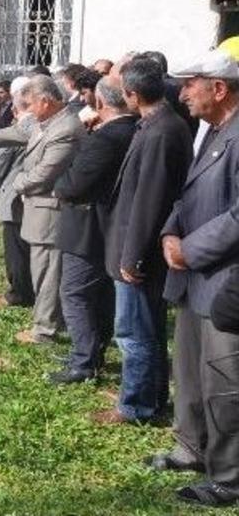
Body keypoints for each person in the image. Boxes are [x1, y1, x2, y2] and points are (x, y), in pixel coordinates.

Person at [152, 49, 239, 506]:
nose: (182, 93)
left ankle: (228, 476)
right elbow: (188, 192)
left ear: (219, 89)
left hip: (223, 279)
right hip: (191, 278)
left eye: (191, 84)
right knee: (188, 370)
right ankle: (191, 448)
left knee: (224, 380)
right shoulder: (213, 131)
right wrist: (170, 231)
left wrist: (190, 248)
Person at [94, 55, 192, 426]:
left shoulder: (161, 131)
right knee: (145, 328)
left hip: (139, 251)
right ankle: (150, 399)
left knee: (133, 331)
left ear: (132, 94)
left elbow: (150, 200)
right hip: (137, 246)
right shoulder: (157, 124)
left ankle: (136, 406)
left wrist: (132, 256)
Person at [0, 75, 83, 344]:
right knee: (42, 270)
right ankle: (48, 321)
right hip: (39, 209)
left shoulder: (64, 128)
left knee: (48, 272)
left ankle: (45, 330)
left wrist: (14, 184)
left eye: (30, 104)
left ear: (45, 101)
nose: (27, 111)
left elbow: (42, 174)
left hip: (50, 211)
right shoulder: (48, 122)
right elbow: (19, 133)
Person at [49, 78, 137, 384]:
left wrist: (59, 188)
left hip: (88, 227)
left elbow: (73, 184)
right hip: (111, 225)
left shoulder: (106, 137)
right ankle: (93, 351)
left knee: (74, 292)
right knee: (99, 293)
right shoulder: (136, 129)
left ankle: (84, 361)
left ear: (100, 103)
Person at [0, 77, 35, 308]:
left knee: (15, 248)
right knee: (26, 246)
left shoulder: (19, 130)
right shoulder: (43, 126)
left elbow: (0, 163)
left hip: (14, 194)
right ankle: (28, 289)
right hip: (31, 196)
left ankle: (18, 293)